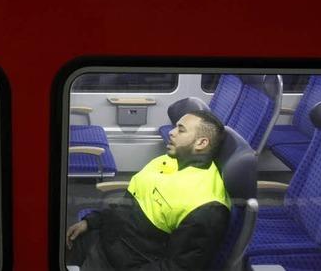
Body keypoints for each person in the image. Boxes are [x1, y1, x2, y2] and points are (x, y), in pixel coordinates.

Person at [66, 110, 231, 271]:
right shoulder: (166, 161)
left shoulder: (207, 206)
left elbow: (179, 266)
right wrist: (93, 220)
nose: (171, 133)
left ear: (201, 143)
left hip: (126, 263)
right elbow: (127, 206)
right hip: (108, 238)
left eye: (181, 130)